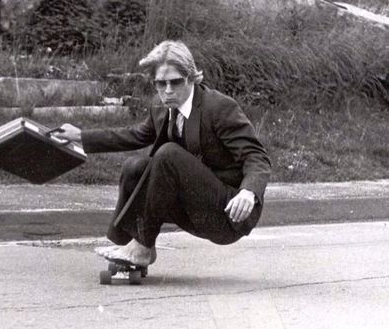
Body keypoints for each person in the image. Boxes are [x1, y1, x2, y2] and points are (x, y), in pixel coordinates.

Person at [53, 40, 271, 267]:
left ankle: (141, 249)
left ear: (191, 78)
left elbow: (257, 156)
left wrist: (248, 193)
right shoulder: (161, 109)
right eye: (160, 84)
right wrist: (81, 136)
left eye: (175, 82)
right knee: (134, 166)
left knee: (168, 154)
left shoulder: (217, 107)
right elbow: (133, 135)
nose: (167, 91)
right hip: (191, 208)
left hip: (227, 214)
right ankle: (127, 246)